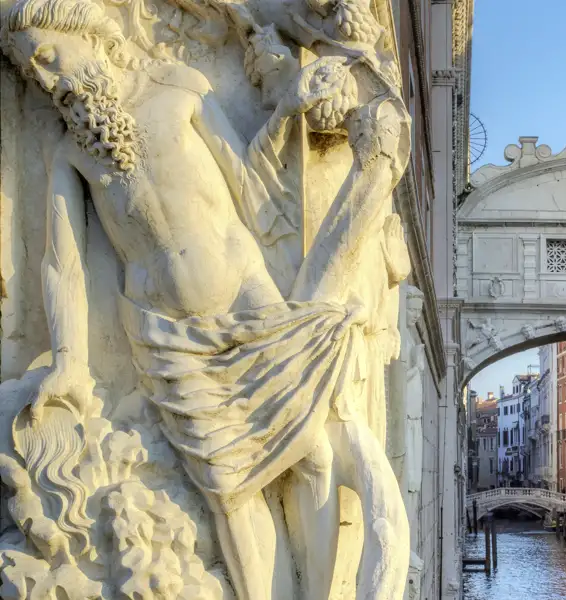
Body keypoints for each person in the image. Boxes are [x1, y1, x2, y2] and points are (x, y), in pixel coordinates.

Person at [1, 0, 410, 597]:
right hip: (167, 337)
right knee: (231, 490)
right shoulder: (68, 153)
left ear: (85, 34)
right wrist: (69, 358)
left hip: (250, 299)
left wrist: (287, 108)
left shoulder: (180, 88)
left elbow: (246, 180)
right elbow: (61, 262)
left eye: (46, 56)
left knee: (313, 451)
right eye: (29, 69)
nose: (46, 78)